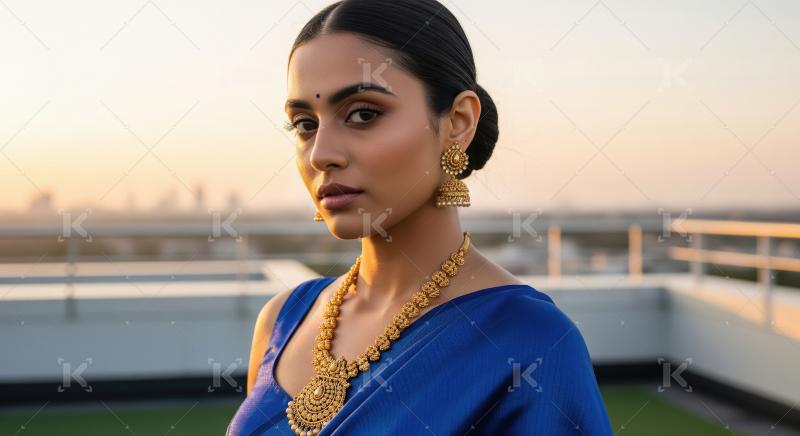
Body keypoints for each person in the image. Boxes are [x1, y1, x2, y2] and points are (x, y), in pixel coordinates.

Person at [227, 0, 612, 434]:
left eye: (363, 114)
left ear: (458, 123)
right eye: (304, 124)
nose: (321, 154)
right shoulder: (281, 320)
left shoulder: (529, 342)